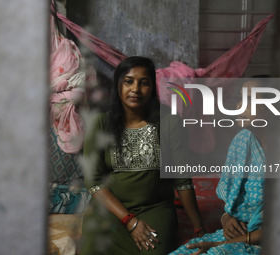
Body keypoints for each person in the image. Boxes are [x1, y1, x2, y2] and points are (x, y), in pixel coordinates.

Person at [80, 56, 204, 255]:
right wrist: (129, 221)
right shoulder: (100, 124)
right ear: (118, 85)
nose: (135, 89)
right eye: (128, 81)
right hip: (111, 210)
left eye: (144, 83)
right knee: (92, 249)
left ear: (152, 88)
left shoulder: (170, 120)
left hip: (155, 209)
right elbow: (93, 182)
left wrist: (199, 229)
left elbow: (182, 180)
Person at [170, 79, 268, 255]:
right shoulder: (242, 140)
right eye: (239, 99)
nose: (240, 106)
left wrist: (222, 244)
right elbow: (230, 199)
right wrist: (227, 218)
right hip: (235, 235)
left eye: (251, 100)